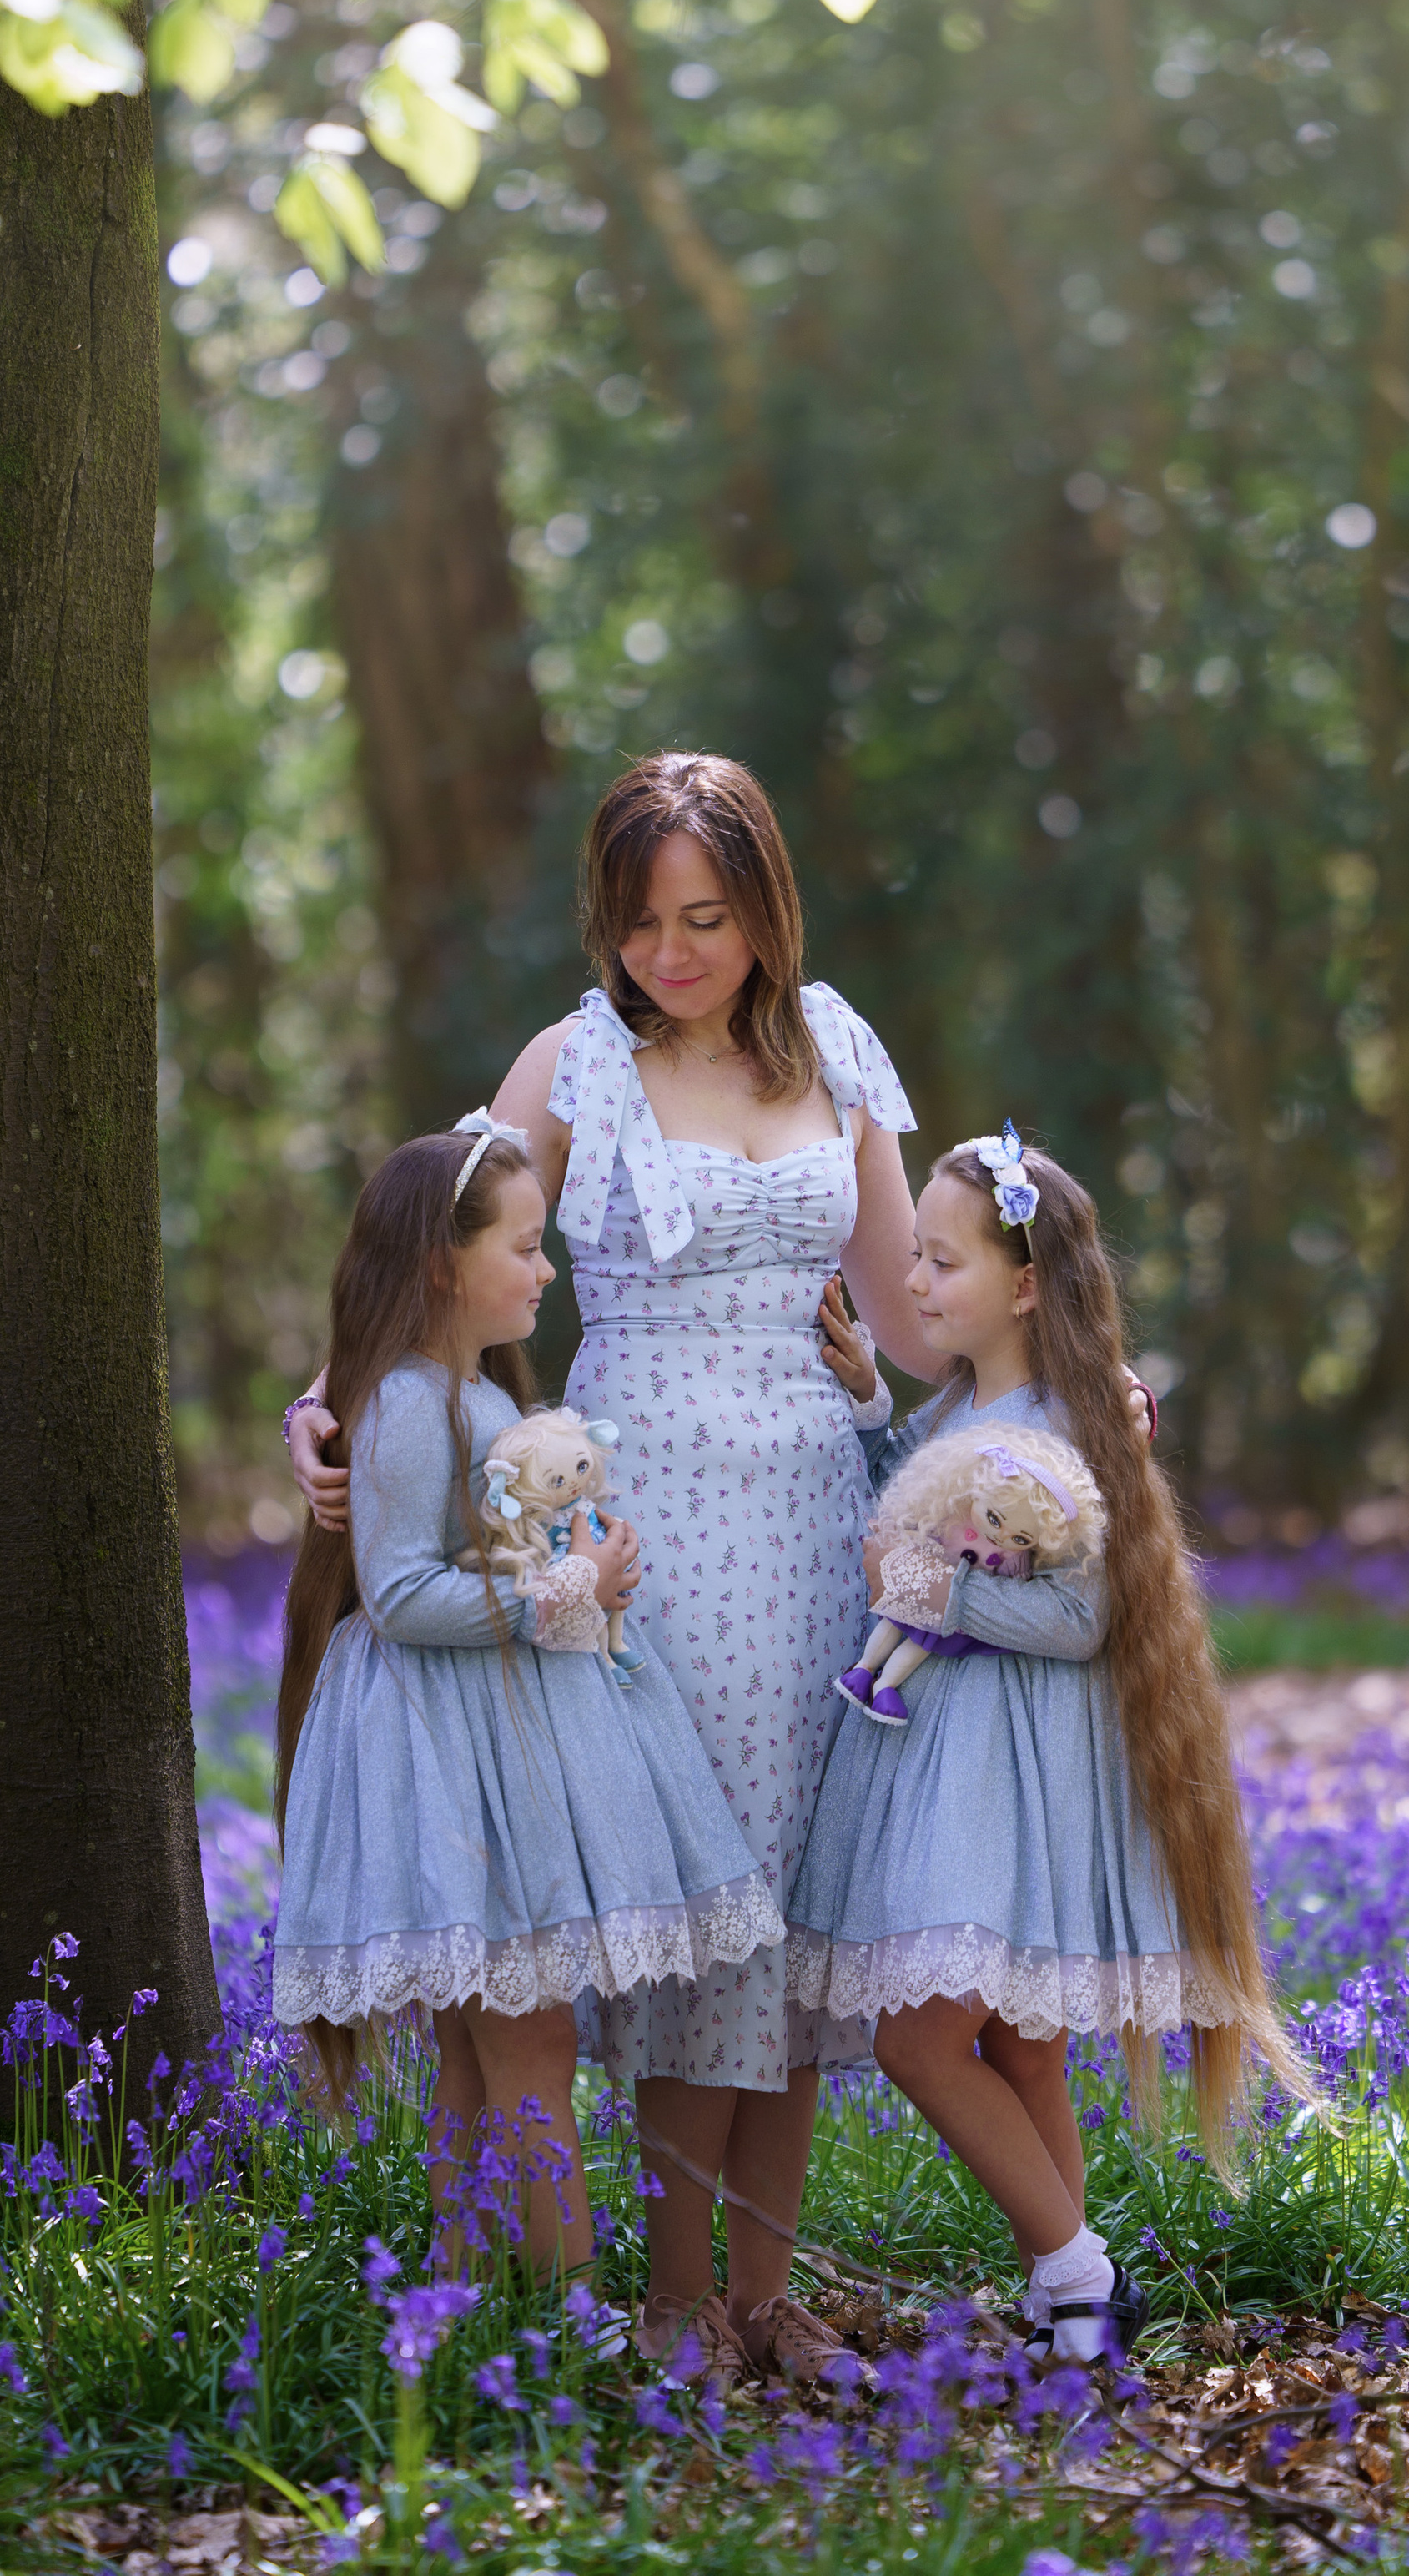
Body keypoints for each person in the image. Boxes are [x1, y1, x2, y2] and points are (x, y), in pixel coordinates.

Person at [291, 751, 927, 2391]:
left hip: (812, 1518)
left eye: (704, 919)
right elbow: (426, 1248)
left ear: (763, 911)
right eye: (641, 924)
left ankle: (762, 2301)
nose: (671, 955)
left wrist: (1074, 1374)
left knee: (790, 1913)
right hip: (632, 1525)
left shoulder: (839, 1048)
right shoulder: (570, 1063)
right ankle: (663, 2310)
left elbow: (921, 1318)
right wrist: (327, 1406)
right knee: (685, 1911)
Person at [787, 1127, 1311, 2362]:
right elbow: (918, 1508)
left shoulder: (1071, 1424)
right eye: (914, 1256)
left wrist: (934, 1594)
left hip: (1013, 1765)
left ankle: (1083, 2268)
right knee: (1020, 2045)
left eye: (943, 1261)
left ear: (1025, 1282)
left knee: (921, 2035)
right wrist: (873, 1406)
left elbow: (1079, 1623)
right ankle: (1073, 2304)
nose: (915, 1282)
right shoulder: (968, 1403)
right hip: (955, 1755)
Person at [272, 1113, 783, 2319]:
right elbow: (398, 1597)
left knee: (484, 2049)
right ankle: (574, 2314)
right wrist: (567, 1589)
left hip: (498, 1738)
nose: (546, 1270)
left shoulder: (459, 1394)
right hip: (453, 1749)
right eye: (525, 1245)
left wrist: (579, 1568)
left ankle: (457, 2299)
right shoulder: (409, 1405)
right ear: (445, 1264)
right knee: (530, 2041)